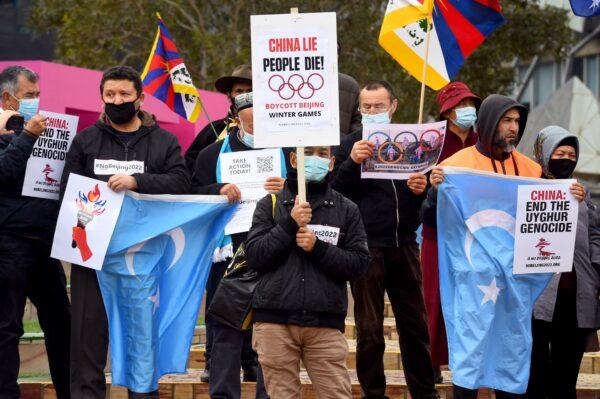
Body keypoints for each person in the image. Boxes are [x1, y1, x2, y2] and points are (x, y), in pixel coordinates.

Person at [423, 95, 585, 399]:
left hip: (516, 285)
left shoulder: (530, 170)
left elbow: (550, 211)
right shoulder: (455, 167)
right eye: (506, 121)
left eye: (517, 122)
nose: (513, 128)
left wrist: (571, 194)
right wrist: (434, 193)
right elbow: (432, 222)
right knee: (471, 355)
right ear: (487, 122)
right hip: (474, 282)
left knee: (511, 354)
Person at [61, 65, 190, 399]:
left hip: (142, 259)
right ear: (102, 97)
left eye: (124, 95)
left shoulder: (164, 142)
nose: (117, 100)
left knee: (140, 338)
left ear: (140, 99)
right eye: (110, 95)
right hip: (93, 258)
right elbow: (67, 192)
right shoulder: (85, 141)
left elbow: (180, 182)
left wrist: (138, 181)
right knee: (87, 340)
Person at [331, 80, 439, 399]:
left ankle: (424, 392)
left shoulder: (411, 141)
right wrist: (352, 161)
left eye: (379, 107)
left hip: (405, 245)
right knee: (369, 330)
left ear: (393, 106)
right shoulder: (349, 143)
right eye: (366, 107)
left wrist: (421, 191)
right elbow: (335, 194)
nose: (373, 112)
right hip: (366, 248)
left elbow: (420, 200)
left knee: (416, 326)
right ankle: (373, 392)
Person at [246, 145, 370, 398]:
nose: (315, 159)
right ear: (293, 159)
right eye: (308, 153)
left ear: (332, 162)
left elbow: (359, 264)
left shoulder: (346, 209)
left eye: (322, 154)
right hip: (274, 323)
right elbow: (255, 256)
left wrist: (318, 248)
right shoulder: (270, 204)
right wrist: (289, 224)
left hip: (324, 324)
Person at [191, 92, 284, 398]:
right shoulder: (211, 155)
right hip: (228, 251)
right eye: (249, 110)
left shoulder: (289, 152)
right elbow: (191, 193)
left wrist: (289, 187)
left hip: (275, 251)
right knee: (226, 329)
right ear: (236, 115)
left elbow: (313, 192)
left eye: (263, 109)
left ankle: (267, 394)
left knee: (272, 332)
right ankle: (223, 394)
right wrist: (218, 189)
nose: (256, 115)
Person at [0, 65, 71, 399]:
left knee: (62, 325)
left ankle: (70, 391)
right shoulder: (20, 133)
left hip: (45, 243)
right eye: (29, 95)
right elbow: (4, 172)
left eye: (37, 95)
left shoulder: (45, 130)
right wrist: (27, 137)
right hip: (8, 246)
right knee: (6, 328)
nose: (35, 101)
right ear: (7, 97)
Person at [526, 126, 600, 399]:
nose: (567, 158)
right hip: (537, 297)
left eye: (572, 154)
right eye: (560, 152)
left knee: (567, 373)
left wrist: (596, 272)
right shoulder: (527, 185)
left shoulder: (582, 192)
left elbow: (594, 235)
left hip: (576, 297)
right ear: (545, 153)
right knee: (536, 371)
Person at [420, 81, 481, 382]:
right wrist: (428, 182)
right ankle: (432, 361)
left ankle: (468, 361)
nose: (466, 110)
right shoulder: (431, 141)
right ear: (447, 111)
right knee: (432, 296)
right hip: (436, 232)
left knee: (472, 298)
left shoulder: (483, 142)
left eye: (470, 104)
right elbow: (414, 186)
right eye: (460, 105)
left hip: (475, 234)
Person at [184, 64, 252, 171]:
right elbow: (189, 162)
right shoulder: (213, 129)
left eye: (249, 91)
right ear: (229, 94)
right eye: (239, 91)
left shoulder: (269, 129)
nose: (244, 95)